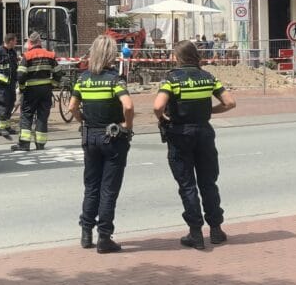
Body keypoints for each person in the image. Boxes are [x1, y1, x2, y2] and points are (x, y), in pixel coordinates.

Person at [153, 40, 236, 250]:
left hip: (180, 134)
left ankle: (196, 233)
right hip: (204, 133)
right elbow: (230, 102)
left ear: (178, 57)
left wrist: (163, 118)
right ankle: (216, 230)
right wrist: (210, 112)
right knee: (208, 182)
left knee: (187, 184)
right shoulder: (208, 77)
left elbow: (158, 105)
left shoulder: (172, 79)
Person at [67, 35, 134, 253]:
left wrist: (83, 120)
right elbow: (128, 105)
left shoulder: (83, 79)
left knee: (91, 186)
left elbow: (72, 107)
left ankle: (86, 232)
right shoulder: (115, 79)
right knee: (109, 189)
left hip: (90, 136)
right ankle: (104, 237)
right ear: (111, 54)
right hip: (112, 138)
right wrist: (126, 126)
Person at [15, 32, 62, 151]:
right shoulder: (50, 55)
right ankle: (40, 143)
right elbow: (58, 72)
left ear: (30, 43)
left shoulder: (27, 56)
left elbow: (20, 75)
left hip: (30, 90)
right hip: (46, 90)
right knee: (42, 116)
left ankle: (24, 144)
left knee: (27, 115)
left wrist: (21, 88)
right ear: (40, 42)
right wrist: (53, 84)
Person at [0, 33, 20, 137]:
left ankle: (6, 126)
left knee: (10, 105)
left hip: (11, 84)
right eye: (15, 40)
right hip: (1, 85)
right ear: (10, 41)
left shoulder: (12, 52)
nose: (16, 42)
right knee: (1, 105)